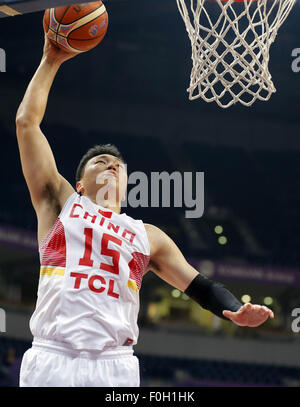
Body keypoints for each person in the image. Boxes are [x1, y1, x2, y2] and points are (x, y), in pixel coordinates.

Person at [16, 36, 274, 387]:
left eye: (118, 165)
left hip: (114, 365)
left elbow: (200, 285)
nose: (111, 165)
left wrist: (233, 310)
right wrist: (51, 60)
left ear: (126, 182)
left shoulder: (147, 235)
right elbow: (27, 124)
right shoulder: (61, 202)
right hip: (52, 356)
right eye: (100, 162)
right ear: (79, 183)